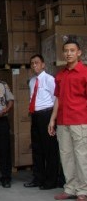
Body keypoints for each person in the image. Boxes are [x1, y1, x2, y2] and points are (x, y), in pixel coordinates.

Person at [48, 39, 87, 201]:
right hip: (63, 122)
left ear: (79, 53)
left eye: (72, 50)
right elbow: (57, 98)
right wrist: (52, 120)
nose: (69, 53)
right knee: (66, 156)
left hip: (80, 120)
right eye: (66, 50)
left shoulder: (84, 73)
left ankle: (83, 190)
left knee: (81, 157)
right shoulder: (60, 75)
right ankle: (70, 188)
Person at [23, 54, 60, 190]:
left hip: (47, 114)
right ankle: (38, 178)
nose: (34, 65)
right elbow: (33, 98)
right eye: (32, 63)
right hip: (36, 115)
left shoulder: (50, 79)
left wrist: (52, 119)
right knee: (37, 148)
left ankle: (51, 181)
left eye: (37, 63)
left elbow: (55, 99)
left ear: (43, 64)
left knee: (49, 149)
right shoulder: (32, 81)